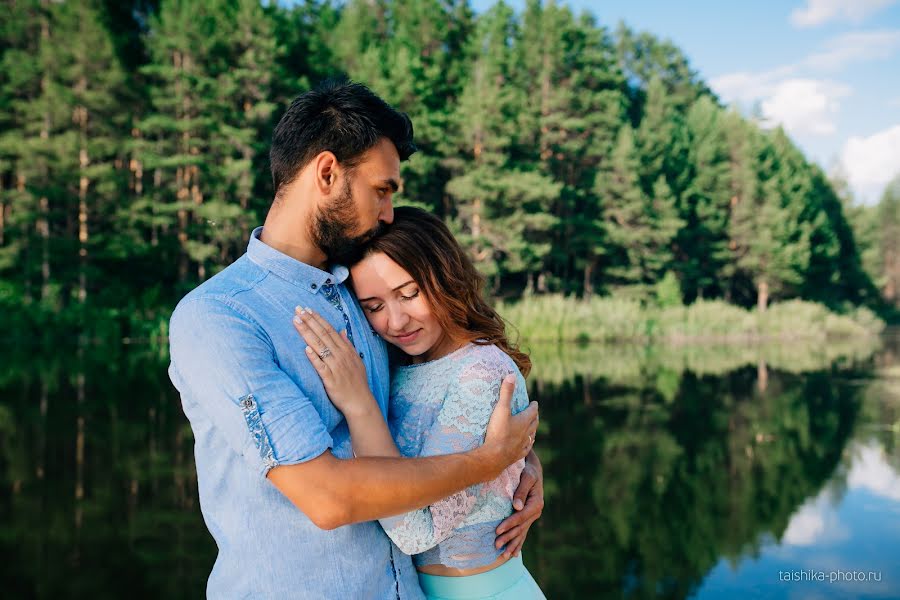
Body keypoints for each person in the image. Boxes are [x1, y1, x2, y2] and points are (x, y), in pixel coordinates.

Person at [167, 79, 544, 599]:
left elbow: (443, 390)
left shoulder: (362, 288)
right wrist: (487, 463)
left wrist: (514, 471)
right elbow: (327, 500)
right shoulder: (220, 317)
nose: (388, 212)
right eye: (382, 190)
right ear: (327, 173)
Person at [291, 206, 546, 599]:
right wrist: (521, 462)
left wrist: (360, 405)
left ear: (444, 277)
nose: (396, 322)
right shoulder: (396, 364)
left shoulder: (483, 373)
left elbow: (415, 531)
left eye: (409, 294)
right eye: (374, 307)